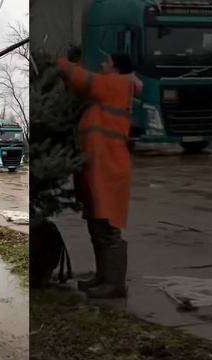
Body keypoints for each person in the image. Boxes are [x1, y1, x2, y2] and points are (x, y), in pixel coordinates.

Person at [57, 49, 143, 299]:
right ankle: (103, 277)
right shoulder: (114, 87)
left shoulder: (117, 84)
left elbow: (86, 81)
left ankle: (114, 283)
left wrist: (63, 63)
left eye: (107, 61)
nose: (103, 65)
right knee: (96, 223)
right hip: (99, 166)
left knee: (107, 226)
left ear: (116, 68)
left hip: (108, 167)